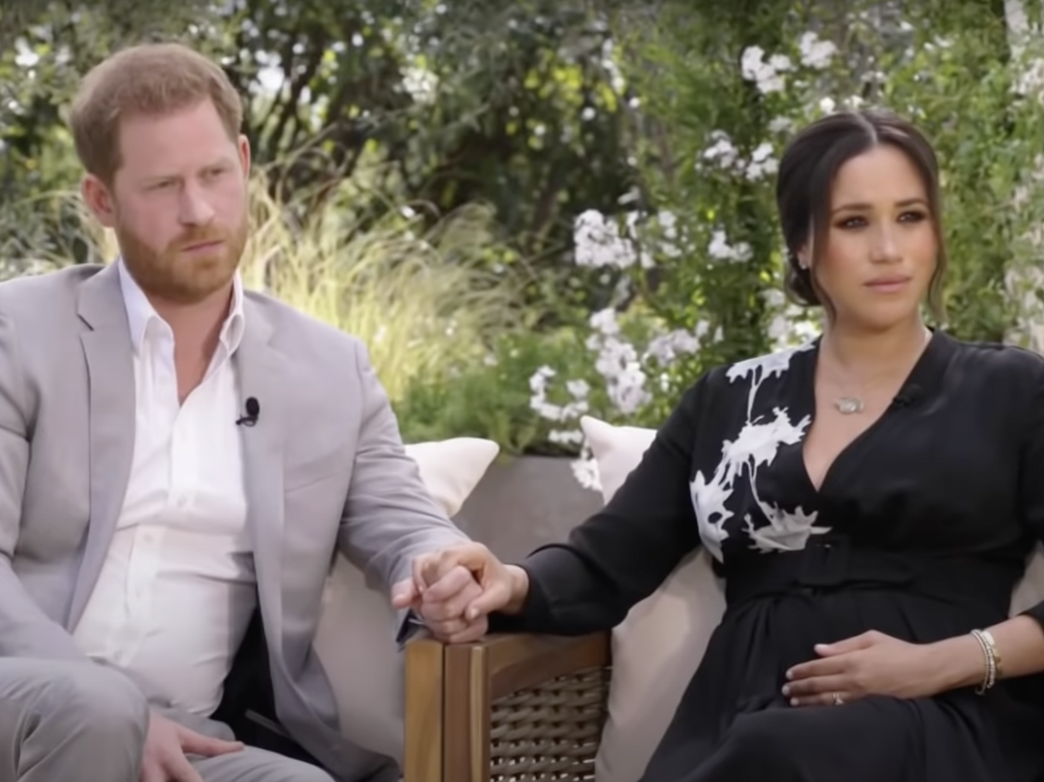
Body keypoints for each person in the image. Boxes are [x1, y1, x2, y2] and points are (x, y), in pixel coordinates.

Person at [411, 108, 1044, 782]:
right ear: (803, 244)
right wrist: (506, 582)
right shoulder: (729, 401)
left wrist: (940, 662)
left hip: (935, 726)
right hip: (737, 725)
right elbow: (609, 558)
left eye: (911, 217)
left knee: (784, 752)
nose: (889, 249)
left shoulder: (1012, 392)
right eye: (853, 222)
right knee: (767, 750)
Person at [0, 42, 481, 782]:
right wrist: (122, 711)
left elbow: (401, 518)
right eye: (162, 186)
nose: (199, 211)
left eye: (215, 175)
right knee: (94, 712)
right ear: (102, 200)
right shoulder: (19, 332)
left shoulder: (329, 369)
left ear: (246, 162)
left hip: (193, 739)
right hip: (26, 703)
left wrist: (443, 568)